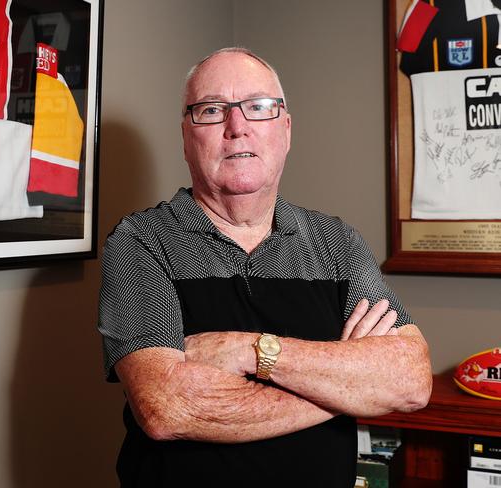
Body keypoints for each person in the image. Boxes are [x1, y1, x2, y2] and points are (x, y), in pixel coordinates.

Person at [98, 47, 432, 487]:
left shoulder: (336, 243)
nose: (237, 128)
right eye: (212, 110)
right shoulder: (142, 241)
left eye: (258, 108)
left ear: (286, 130)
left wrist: (249, 350)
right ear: (185, 136)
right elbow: (167, 408)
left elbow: (409, 380)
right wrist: (347, 390)